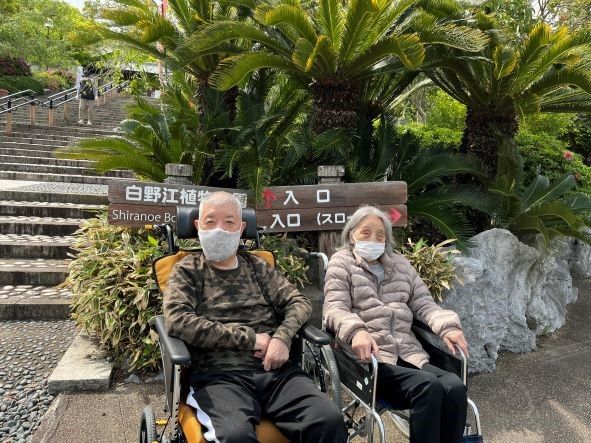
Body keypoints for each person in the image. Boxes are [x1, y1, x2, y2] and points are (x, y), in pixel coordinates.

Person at [163, 191, 345, 443]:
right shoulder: (187, 270)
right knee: (236, 436)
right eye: (210, 221)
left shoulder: (257, 267)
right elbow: (178, 320)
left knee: (328, 420)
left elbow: (298, 301)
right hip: (219, 377)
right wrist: (250, 339)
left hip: (275, 373)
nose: (219, 230)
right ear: (197, 226)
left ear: (241, 227)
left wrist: (282, 338)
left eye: (229, 222)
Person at [323, 205, 469, 443]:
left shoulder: (400, 265)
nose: (373, 239)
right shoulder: (342, 262)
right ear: (352, 234)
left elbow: (423, 302)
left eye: (380, 235)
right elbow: (334, 308)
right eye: (365, 233)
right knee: (428, 387)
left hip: (409, 353)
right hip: (372, 359)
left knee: (454, 387)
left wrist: (447, 326)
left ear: (387, 240)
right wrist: (357, 330)